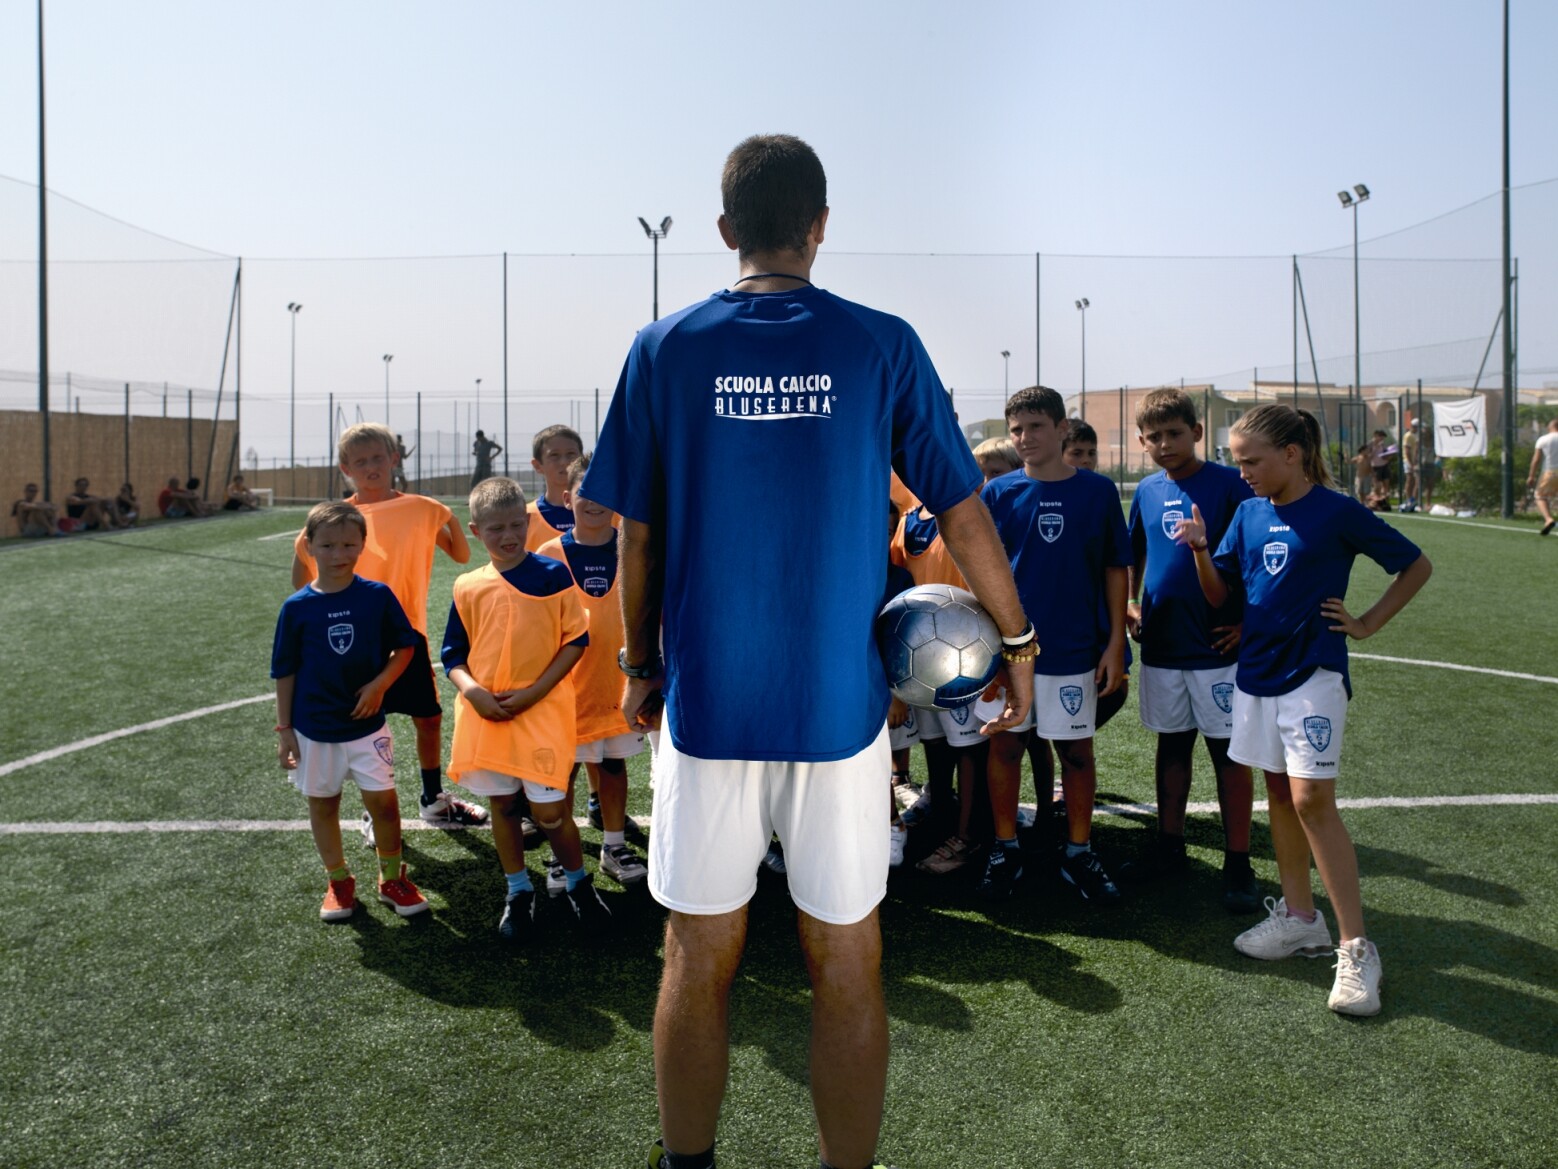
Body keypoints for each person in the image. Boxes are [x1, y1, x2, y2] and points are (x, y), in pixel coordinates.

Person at [582, 134, 1032, 1169]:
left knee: (697, 952)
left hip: (710, 705)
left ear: (725, 229)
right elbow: (962, 509)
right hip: (838, 711)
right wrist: (1017, 637)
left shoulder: (664, 346)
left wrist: (642, 664)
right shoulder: (881, 342)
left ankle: (686, 1162)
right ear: (821, 225)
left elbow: (637, 533)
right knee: (847, 957)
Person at [1179, 403, 1431, 1016]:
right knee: (1278, 791)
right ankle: (1299, 919)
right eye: (1236, 461)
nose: (1242, 472)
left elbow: (1415, 565)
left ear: (1291, 454)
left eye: (1251, 460)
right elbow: (1221, 595)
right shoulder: (1248, 513)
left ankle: (1356, 949)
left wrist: (1366, 623)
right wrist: (1202, 550)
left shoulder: (1337, 511)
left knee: (1313, 800)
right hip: (1255, 674)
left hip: (1314, 674)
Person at [291, 423, 482, 836]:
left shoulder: (419, 507)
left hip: (407, 634)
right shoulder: (338, 518)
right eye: (360, 462)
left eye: (378, 457)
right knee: (363, 728)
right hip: (354, 641)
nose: (371, 467)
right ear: (346, 468)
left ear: (394, 459)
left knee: (428, 719)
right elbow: (302, 577)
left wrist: (446, 517)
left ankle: (433, 799)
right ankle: (372, 813)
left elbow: (461, 554)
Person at [441, 475, 612, 938]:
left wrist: (535, 693)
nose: (509, 535)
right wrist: (473, 692)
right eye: (496, 528)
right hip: (487, 716)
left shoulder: (553, 574)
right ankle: (518, 891)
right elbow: (453, 656)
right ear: (476, 531)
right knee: (502, 806)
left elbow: (576, 640)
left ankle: (578, 883)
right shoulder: (467, 585)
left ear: (527, 521)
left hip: (542, 715)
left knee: (551, 813)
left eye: (517, 524)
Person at [980, 386, 1130, 905]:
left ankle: (1078, 851)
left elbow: (1115, 569)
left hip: (1074, 650)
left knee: (1077, 753)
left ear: (1062, 428)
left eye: (1036, 426)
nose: (1024, 437)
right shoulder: (998, 494)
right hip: (1011, 652)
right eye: (1016, 429)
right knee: (1005, 746)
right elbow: (984, 576)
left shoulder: (1098, 492)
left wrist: (1114, 644)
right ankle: (1005, 848)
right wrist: (991, 653)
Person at [1120, 388, 1258, 913]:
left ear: (1197, 433)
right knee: (1172, 745)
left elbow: (1257, 557)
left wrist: (1247, 622)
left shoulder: (1230, 485)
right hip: (1162, 643)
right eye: (1153, 437)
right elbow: (1133, 552)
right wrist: (1131, 602)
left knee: (1228, 753)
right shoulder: (1147, 489)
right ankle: (1170, 846)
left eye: (1174, 433)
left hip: (1216, 645)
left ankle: (1238, 861)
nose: (1164, 444)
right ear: (1141, 442)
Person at [272, 500, 429, 922]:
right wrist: (285, 729)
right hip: (315, 728)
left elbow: (406, 647)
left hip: (367, 727)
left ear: (362, 545)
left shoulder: (376, 596)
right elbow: (284, 671)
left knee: (385, 805)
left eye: (348, 545)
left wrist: (379, 685)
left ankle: (391, 878)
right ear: (308, 546)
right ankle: (339, 880)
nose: (338, 554)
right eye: (327, 545)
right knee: (324, 805)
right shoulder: (296, 608)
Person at [537, 454, 649, 890]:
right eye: (585, 491)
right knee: (562, 773)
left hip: (617, 686)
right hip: (565, 690)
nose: (595, 500)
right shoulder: (548, 555)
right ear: (567, 498)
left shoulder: (633, 548)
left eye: (605, 491)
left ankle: (613, 845)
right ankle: (560, 854)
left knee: (614, 766)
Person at [889, 475, 993, 879]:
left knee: (968, 745)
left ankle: (970, 834)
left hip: (963, 648)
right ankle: (943, 813)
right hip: (918, 652)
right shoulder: (910, 517)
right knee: (935, 741)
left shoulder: (965, 505)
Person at [524, 424, 584, 551]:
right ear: (537, 465)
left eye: (571, 454)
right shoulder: (524, 518)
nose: (564, 462)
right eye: (554, 455)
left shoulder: (605, 512)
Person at [1527, 416, 1558, 536]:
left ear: (1551, 426)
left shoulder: (1544, 439)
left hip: (1550, 472)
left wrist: (1531, 476)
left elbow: (1536, 460)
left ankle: (1548, 519)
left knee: (1540, 496)